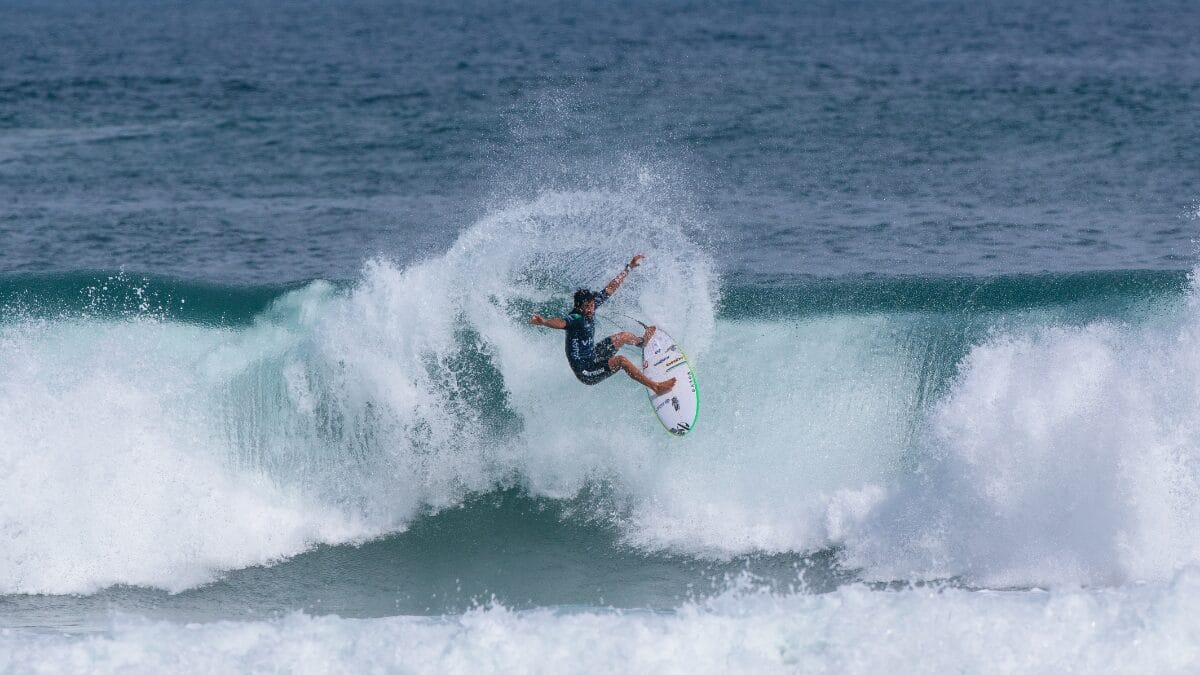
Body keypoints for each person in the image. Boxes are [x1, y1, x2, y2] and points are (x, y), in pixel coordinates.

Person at [529, 255, 676, 396]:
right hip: (586, 371)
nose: (590, 309)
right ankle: (656, 387)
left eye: (592, 305)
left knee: (623, 336)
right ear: (579, 307)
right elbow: (561, 323)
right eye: (587, 307)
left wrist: (629, 268)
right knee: (621, 361)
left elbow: (610, 288)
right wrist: (544, 322)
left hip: (593, 356)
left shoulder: (591, 306)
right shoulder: (575, 318)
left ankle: (642, 342)